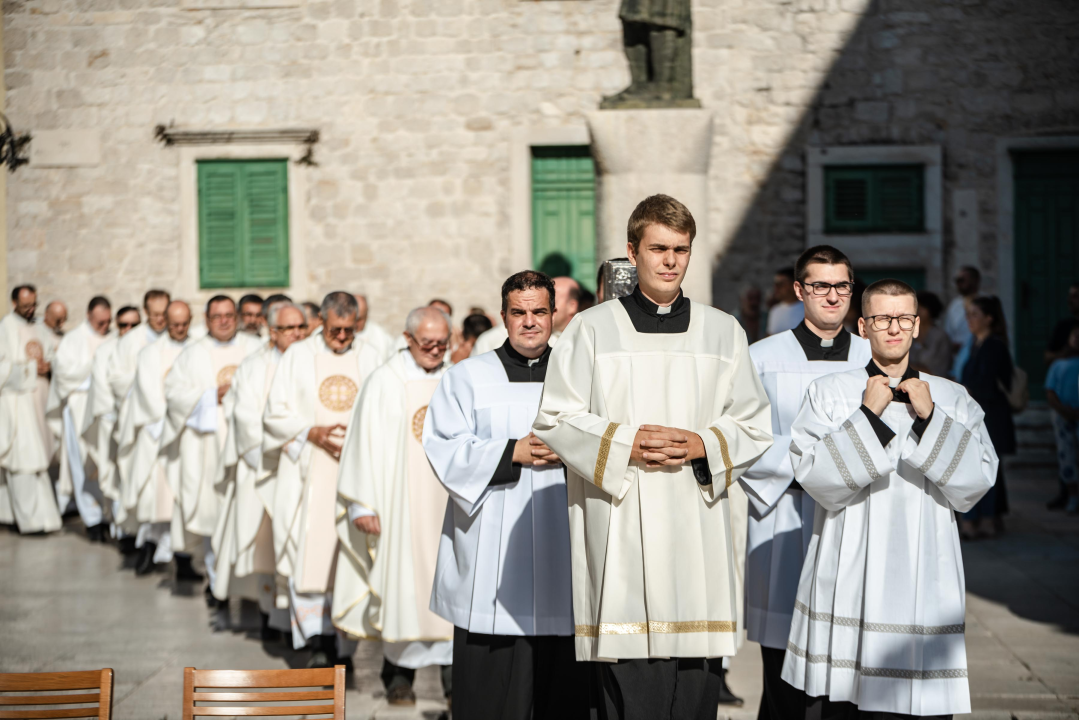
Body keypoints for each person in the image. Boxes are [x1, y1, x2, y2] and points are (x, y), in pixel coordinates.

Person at [533, 195, 773, 720]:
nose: (670, 261)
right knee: (629, 691)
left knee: (693, 691)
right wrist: (626, 443)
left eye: (680, 250)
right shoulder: (591, 330)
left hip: (697, 528)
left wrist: (702, 444)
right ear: (632, 251)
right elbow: (554, 419)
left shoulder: (723, 330)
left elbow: (755, 423)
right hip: (621, 525)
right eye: (658, 248)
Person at [781, 279, 996, 720]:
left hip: (925, 570)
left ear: (917, 326)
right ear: (863, 326)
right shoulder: (830, 393)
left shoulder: (952, 398)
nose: (893, 328)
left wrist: (930, 418)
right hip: (851, 565)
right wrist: (868, 417)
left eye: (903, 318)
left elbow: (978, 482)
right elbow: (814, 477)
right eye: (881, 318)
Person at [424, 270, 585, 719]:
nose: (529, 322)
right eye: (519, 312)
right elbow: (443, 447)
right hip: (491, 563)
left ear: (555, 315)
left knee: (563, 698)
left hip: (564, 553)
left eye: (539, 312)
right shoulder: (468, 377)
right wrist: (510, 451)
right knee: (492, 699)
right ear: (503, 316)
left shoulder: (579, 377)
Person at [742, 246, 872, 720]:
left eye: (842, 286)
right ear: (800, 290)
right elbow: (742, 436)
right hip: (783, 515)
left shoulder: (872, 356)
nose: (832, 296)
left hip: (854, 519)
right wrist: (817, 466)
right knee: (782, 660)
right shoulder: (761, 357)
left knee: (847, 655)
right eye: (820, 286)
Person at [334, 306, 454, 706]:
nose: (436, 351)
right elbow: (362, 446)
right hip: (399, 508)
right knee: (402, 587)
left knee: (450, 585)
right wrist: (362, 505)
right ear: (407, 339)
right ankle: (398, 675)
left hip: (449, 505)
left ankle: (454, 680)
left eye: (443, 343)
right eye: (428, 343)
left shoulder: (458, 377)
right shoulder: (384, 381)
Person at [263, 291, 382, 668]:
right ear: (322, 323)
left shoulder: (372, 357)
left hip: (359, 473)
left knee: (350, 555)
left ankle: (345, 645)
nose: (343, 338)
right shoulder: (297, 356)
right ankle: (317, 641)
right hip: (309, 471)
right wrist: (309, 433)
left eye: (349, 331)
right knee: (309, 554)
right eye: (335, 330)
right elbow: (274, 412)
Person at [211, 298, 301, 634]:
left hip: (304, 466)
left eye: (300, 327)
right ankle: (270, 618)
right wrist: (279, 447)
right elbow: (244, 415)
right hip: (264, 467)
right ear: (272, 330)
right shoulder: (253, 366)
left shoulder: (310, 362)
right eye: (288, 328)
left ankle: (304, 625)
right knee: (265, 544)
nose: (295, 334)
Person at [164, 295, 262, 584]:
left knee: (246, 508)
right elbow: (173, 394)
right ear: (206, 320)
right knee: (212, 511)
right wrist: (209, 396)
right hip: (207, 448)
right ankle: (215, 576)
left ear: (237, 317)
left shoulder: (255, 349)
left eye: (229, 315)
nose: (223, 321)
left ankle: (248, 578)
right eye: (217, 316)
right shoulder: (192, 354)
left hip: (247, 444)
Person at [116, 301, 194, 575]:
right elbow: (149, 395)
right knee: (155, 497)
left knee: (184, 499)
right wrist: (171, 425)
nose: (180, 329)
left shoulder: (197, 350)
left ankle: (184, 560)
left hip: (188, 435)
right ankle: (147, 552)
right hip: (158, 434)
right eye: (175, 324)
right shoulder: (150, 354)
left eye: (185, 324)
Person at [48, 296, 114, 538]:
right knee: (82, 464)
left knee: (104, 462)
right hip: (78, 406)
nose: (105, 327)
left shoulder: (113, 338)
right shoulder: (73, 340)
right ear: (89, 316)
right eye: (100, 323)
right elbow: (63, 374)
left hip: (104, 408)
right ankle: (92, 518)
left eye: (108, 322)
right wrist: (93, 368)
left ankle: (108, 516)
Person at [0, 285, 62, 534]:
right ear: (14, 303)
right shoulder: (5, 328)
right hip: (17, 405)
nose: (31, 309)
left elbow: (49, 354)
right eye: (26, 305)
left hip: (40, 401)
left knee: (39, 462)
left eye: (34, 304)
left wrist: (49, 366)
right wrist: (30, 370)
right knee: (23, 460)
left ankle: (40, 518)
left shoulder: (38, 328)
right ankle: (30, 521)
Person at [81, 303, 145, 543]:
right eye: (123, 325)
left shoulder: (147, 348)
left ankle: (143, 534)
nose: (128, 329)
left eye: (134, 324)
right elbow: (102, 388)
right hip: (115, 424)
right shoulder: (106, 351)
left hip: (143, 424)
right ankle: (124, 532)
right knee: (119, 479)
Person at [959, 296, 1015, 539]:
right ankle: (990, 518)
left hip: (991, 414)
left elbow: (986, 384)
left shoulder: (994, 345)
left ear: (988, 318)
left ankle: (986, 519)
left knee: (985, 464)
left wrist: (961, 390)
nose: (969, 319)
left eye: (974, 315)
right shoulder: (976, 343)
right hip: (980, 413)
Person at [1045, 326, 1079, 514]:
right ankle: (1072, 496)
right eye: (1075, 335)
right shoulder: (1059, 364)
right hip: (1063, 416)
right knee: (1067, 455)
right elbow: (1050, 391)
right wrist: (1063, 409)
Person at [946, 266, 980, 380]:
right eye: (957, 281)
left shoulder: (986, 302)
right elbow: (948, 333)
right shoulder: (954, 306)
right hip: (960, 358)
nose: (958, 284)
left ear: (974, 280)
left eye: (962, 280)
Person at [910, 291, 953, 377]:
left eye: (922, 307)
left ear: (931, 309)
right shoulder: (909, 334)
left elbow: (940, 371)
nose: (917, 311)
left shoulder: (940, 337)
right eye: (916, 307)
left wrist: (908, 368)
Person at [353, 293, 396, 362]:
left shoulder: (380, 336)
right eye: (353, 319)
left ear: (366, 315)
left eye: (359, 319)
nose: (355, 323)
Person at [1045, 282, 1079, 365]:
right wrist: (1063, 354)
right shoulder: (1063, 326)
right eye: (1069, 296)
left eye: (1075, 296)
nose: (1069, 300)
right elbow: (1047, 357)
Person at [766, 267, 804, 336]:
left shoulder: (807, 310)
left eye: (781, 284)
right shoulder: (774, 310)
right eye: (775, 284)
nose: (776, 288)